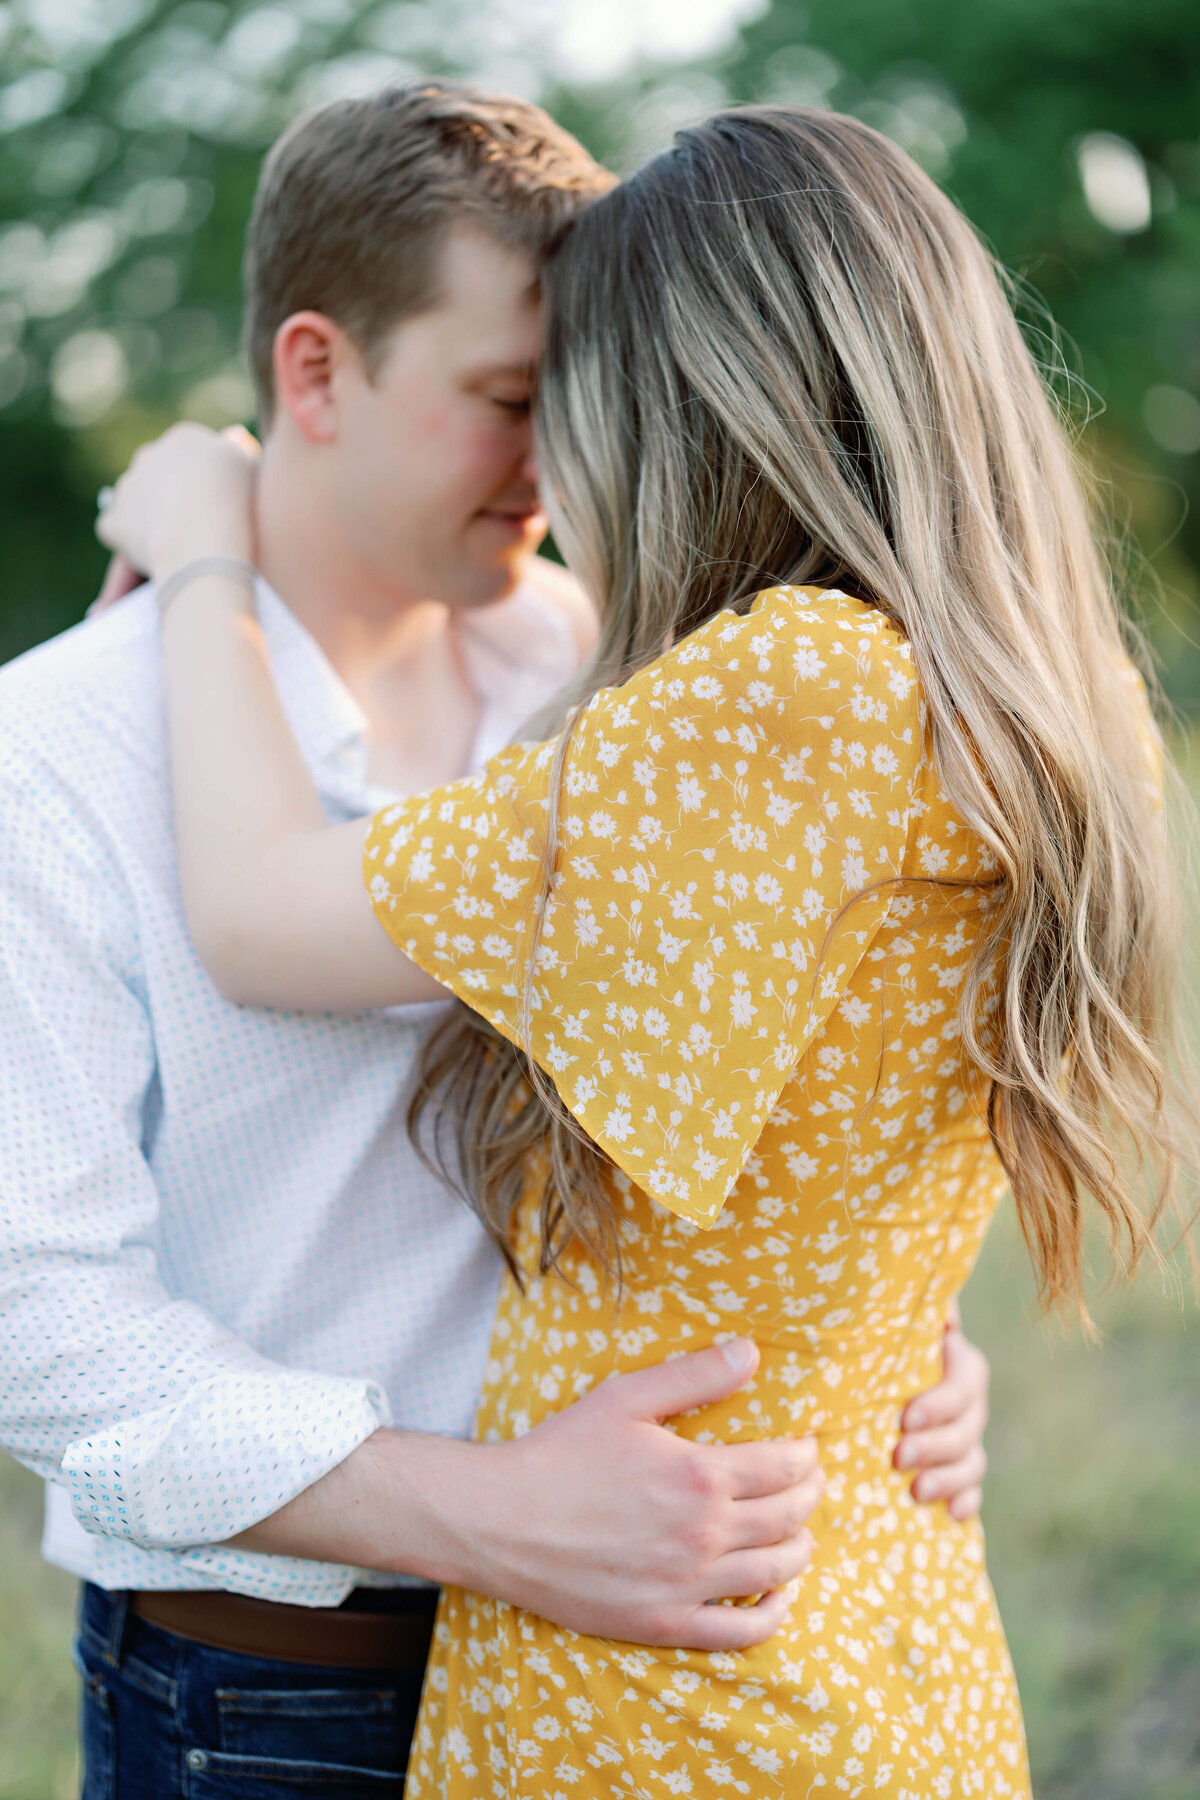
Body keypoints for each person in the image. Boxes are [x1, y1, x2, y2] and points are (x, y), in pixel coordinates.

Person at [0, 86, 989, 1797]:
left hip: (655, 1683)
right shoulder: (64, 752)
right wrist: (491, 1517)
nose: (565, 463)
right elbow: (37, 1321)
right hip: (273, 1706)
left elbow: (805, 1091)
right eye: (513, 402)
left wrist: (905, 1346)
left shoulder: (638, 689)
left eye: (587, 403)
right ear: (317, 372)